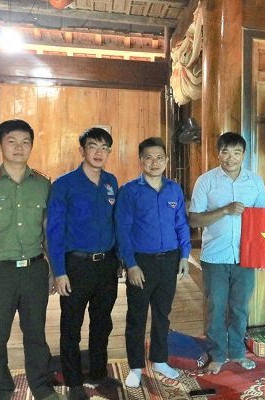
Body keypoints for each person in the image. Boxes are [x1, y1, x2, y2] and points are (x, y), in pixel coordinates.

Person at [0, 119, 65, 400]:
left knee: (36, 335)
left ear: (31, 146)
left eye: (25, 142)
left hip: (34, 270)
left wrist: (55, 270)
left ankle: (41, 386)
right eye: (12, 141)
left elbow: (48, 232)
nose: (19, 147)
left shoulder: (43, 183)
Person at [46, 127, 120, 400]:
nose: (99, 153)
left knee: (102, 322)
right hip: (76, 265)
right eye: (93, 146)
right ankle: (74, 380)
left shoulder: (111, 182)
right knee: (71, 325)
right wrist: (59, 271)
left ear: (109, 152)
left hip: (106, 265)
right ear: (82, 150)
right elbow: (54, 230)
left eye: (104, 148)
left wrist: (119, 260)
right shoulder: (64, 184)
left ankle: (98, 373)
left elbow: (115, 223)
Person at [189, 132, 265, 374]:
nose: (230, 157)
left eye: (236, 152)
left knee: (240, 307)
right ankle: (217, 355)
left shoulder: (255, 182)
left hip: (246, 257)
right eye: (225, 151)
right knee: (216, 307)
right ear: (218, 153)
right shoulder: (206, 181)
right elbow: (194, 219)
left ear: (243, 155)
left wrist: (262, 254)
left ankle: (237, 352)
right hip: (215, 255)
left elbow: (264, 221)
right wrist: (225, 210)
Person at [115, 137, 191, 387]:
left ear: (166, 161)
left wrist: (184, 255)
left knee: (162, 314)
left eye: (159, 157)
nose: (154, 162)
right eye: (148, 158)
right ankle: (135, 367)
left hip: (169, 261)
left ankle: (159, 359)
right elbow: (123, 230)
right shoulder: (129, 191)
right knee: (136, 316)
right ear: (141, 161)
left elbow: (181, 224)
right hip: (141, 263)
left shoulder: (174, 189)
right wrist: (130, 264)